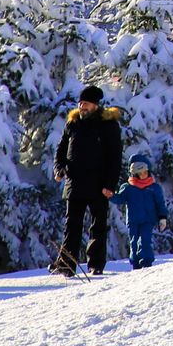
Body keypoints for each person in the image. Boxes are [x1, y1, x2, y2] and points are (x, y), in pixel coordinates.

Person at [51, 84, 123, 276]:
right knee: (71, 226)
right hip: (74, 183)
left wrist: (110, 184)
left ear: (95, 105)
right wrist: (59, 169)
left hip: (99, 185)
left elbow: (115, 158)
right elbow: (60, 151)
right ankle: (66, 265)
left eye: (86, 103)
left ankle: (96, 265)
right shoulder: (73, 123)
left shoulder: (108, 125)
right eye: (81, 103)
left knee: (98, 226)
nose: (82, 106)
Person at [111, 157, 171, 270]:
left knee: (145, 240)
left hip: (148, 220)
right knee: (134, 242)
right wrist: (111, 195)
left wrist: (162, 218)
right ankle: (136, 264)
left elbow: (160, 204)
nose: (143, 175)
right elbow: (120, 199)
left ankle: (146, 262)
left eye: (145, 172)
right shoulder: (128, 188)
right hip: (133, 221)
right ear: (135, 174)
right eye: (140, 173)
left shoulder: (154, 188)